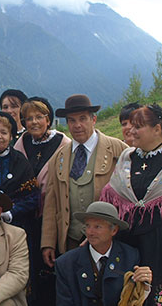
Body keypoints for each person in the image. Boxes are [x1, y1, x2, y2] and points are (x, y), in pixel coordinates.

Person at [101, 104, 162, 306]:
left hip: (161, 247)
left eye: (138, 126)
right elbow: (113, 198)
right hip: (130, 245)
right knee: (129, 303)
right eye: (129, 125)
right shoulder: (127, 158)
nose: (131, 131)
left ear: (158, 129)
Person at [41, 94, 126, 267]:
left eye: (83, 119)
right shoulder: (58, 157)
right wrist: (48, 243)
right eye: (71, 120)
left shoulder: (118, 149)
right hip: (71, 240)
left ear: (93, 119)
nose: (77, 125)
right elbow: (51, 202)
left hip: (109, 240)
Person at [14, 96, 70, 306]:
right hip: (25, 220)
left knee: (48, 276)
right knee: (27, 276)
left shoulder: (63, 144)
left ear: (49, 119)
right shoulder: (22, 142)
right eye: (29, 118)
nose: (34, 122)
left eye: (39, 117)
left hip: (51, 219)